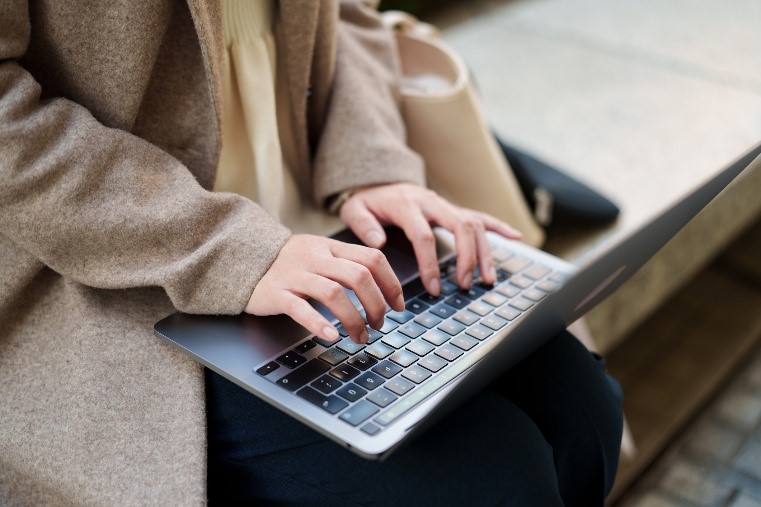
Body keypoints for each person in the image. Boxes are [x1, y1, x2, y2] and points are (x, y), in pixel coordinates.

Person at [0, 1, 622, 505]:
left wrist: (370, 164)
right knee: (495, 479)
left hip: (314, 226)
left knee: (582, 409)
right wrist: (228, 251)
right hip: (106, 269)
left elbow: (349, 14)